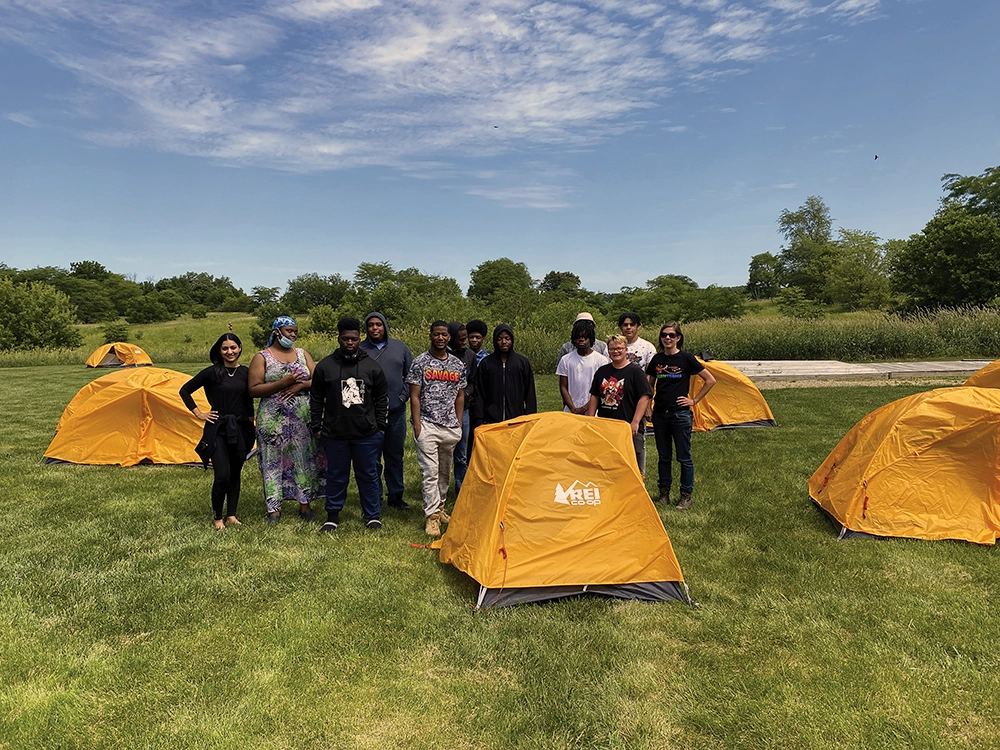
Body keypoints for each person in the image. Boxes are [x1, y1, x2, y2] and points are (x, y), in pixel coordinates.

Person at [311, 318, 389, 532]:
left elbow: (382, 398)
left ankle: (372, 515)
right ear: (339, 339)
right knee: (336, 475)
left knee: (369, 475)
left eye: (354, 339)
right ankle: (333, 515)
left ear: (359, 339)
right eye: (345, 339)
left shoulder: (371, 366)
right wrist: (317, 426)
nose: (350, 343)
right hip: (335, 434)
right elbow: (316, 397)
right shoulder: (325, 366)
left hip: (367, 434)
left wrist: (380, 427)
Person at [248, 315, 323, 524]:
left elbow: (318, 381)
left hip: (302, 418)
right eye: (289, 331)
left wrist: (300, 385)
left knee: (303, 458)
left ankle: (305, 506)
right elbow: (254, 389)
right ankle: (274, 509)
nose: (293, 335)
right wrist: (284, 382)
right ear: (277, 332)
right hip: (272, 418)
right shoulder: (262, 357)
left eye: (295, 331)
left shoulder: (302, 354)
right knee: (272, 460)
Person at [180, 333, 256, 529]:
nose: (230, 352)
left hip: (241, 429)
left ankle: (232, 515)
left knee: (235, 473)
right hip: (218, 428)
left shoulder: (246, 372)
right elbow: (185, 390)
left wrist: (251, 422)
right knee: (222, 474)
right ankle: (217, 518)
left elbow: (248, 401)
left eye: (233, 347)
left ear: (240, 348)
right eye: (225, 348)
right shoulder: (212, 373)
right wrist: (198, 413)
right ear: (219, 351)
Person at [645, 321, 716, 510]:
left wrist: (694, 400)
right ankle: (664, 494)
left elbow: (710, 380)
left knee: (684, 457)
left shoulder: (686, 359)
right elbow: (648, 385)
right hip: (660, 414)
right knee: (664, 456)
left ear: (678, 338)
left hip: (680, 415)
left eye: (671, 335)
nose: (667, 338)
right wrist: (648, 407)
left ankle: (686, 495)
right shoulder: (657, 360)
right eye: (664, 335)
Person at [407, 321, 467, 537]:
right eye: (436, 334)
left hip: (450, 427)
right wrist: (417, 425)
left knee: (444, 471)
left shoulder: (457, 365)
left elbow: (460, 395)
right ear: (430, 336)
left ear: (449, 337)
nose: (440, 338)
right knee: (430, 472)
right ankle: (431, 517)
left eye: (444, 335)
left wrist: (459, 423)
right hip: (428, 425)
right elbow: (414, 396)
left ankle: (440, 508)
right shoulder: (420, 362)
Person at [359, 312, 413, 510]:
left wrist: (402, 396)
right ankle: (375, 496)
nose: (375, 328)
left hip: (396, 411)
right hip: (369, 413)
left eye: (378, 325)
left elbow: (412, 375)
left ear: (385, 327)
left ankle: (396, 495)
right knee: (372, 457)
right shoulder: (361, 349)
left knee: (394, 455)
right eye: (371, 325)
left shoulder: (399, 348)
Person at [586, 334, 653, 473]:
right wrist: (591, 418)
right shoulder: (602, 371)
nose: (616, 352)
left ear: (626, 350)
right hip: (607, 425)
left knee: (633, 461)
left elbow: (644, 397)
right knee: (609, 462)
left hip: (628, 425)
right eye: (612, 349)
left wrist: (635, 421)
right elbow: (595, 396)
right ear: (608, 351)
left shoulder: (636, 372)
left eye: (619, 348)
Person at [471, 324, 537, 428]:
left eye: (507, 338)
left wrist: (530, 417)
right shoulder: (486, 363)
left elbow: (530, 393)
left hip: (517, 419)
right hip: (491, 420)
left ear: (512, 340)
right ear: (495, 341)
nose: (504, 342)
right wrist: (479, 419)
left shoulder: (522, 363)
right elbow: (479, 393)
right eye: (500, 339)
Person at [447, 321, 477, 496]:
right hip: (443, 410)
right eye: (460, 339)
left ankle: (461, 489)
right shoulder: (443, 355)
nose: (464, 342)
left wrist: (464, 394)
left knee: (461, 454)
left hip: (463, 410)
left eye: (465, 339)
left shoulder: (470, 356)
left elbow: (473, 381)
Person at [556, 318, 610, 414]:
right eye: (578, 337)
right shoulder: (566, 360)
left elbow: (601, 388)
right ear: (574, 339)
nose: (581, 340)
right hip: (571, 410)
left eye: (585, 337)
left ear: (591, 339)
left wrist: (585, 408)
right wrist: (572, 408)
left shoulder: (601, 360)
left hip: (594, 410)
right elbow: (563, 386)